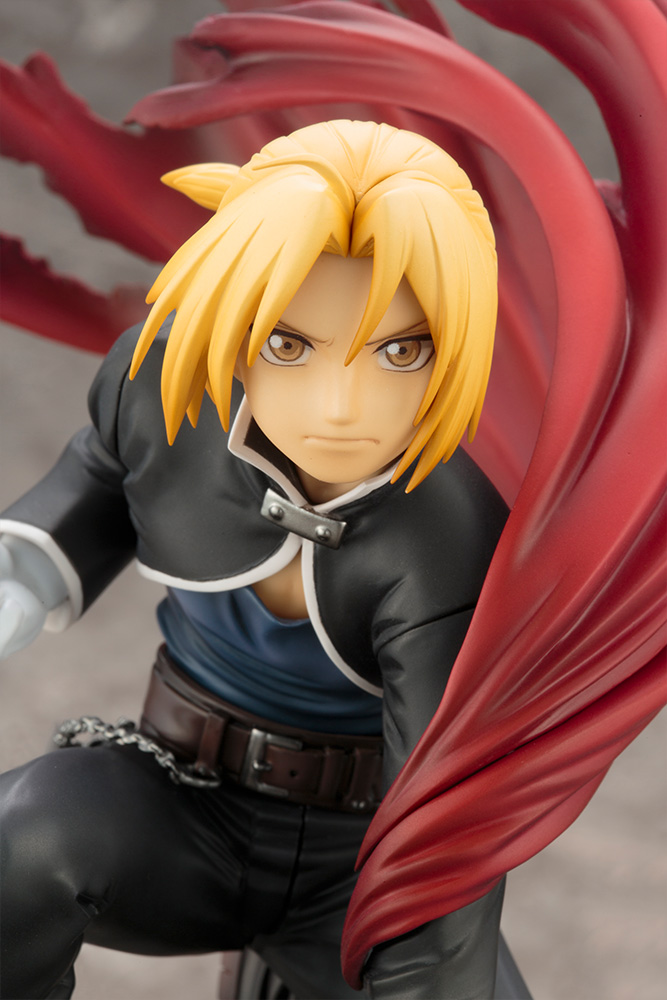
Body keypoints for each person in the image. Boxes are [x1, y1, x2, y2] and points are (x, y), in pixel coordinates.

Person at [0, 120, 510, 999]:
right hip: (177, 804)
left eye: (398, 350)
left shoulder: (453, 530)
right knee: (21, 842)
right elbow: (100, 478)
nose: (341, 405)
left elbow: (443, 813)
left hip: (361, 868)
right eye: (289, 344)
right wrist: (22, 573)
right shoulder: (166, 395)